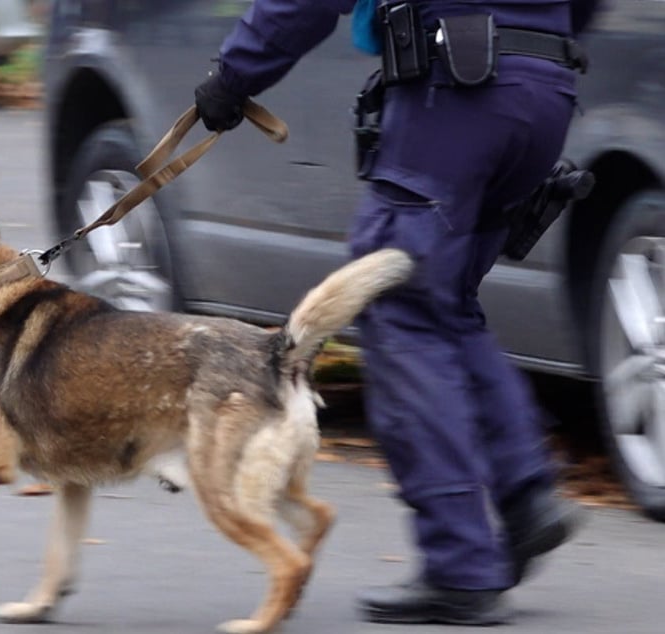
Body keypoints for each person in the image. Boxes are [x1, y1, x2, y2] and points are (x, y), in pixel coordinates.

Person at [194, 0, 600, 625]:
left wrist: (234, 77)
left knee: (396, 305)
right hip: (545, 88)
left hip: (457, 91)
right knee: (444, 304)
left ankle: (461, 567)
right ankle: (525, 494)